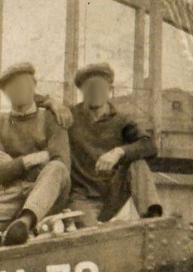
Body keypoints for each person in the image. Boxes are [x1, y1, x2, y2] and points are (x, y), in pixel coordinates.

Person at [0, 62, 71, 249]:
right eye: (13, 87)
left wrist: (11, 165)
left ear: (34, 86)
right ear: (6, 92)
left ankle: (24, 222)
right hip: (10, 194)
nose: (20, 90)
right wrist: (29, 160)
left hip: (46, 194)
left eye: (24, 84)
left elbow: (61, 164)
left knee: (56, 168)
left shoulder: (51, 119)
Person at [66, 63, 162, 226]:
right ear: (81, 90)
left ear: (110, 89)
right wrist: (50, 103)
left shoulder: (121, 120)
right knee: (90, 235)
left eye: (101, 87)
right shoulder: (70, 117)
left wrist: (118, 152)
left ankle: (152, 218)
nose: (95, 92)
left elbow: (150, 145)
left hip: (111, 194)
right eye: (90, 87)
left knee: (137, 163)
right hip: (81, 198)